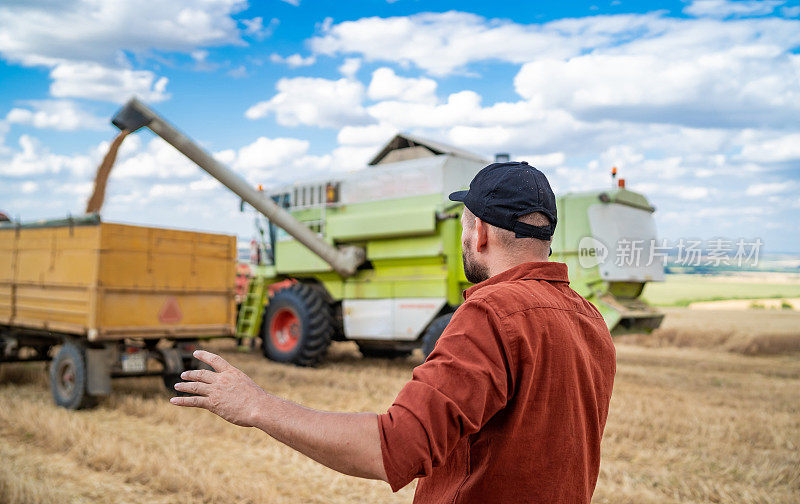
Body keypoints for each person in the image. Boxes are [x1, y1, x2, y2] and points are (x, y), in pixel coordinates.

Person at [172, 161, 616, 503]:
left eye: (463, 223)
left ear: (478, 232)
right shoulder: (590, 319)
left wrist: (257, 405)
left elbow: (395, 448)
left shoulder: (491, 314)